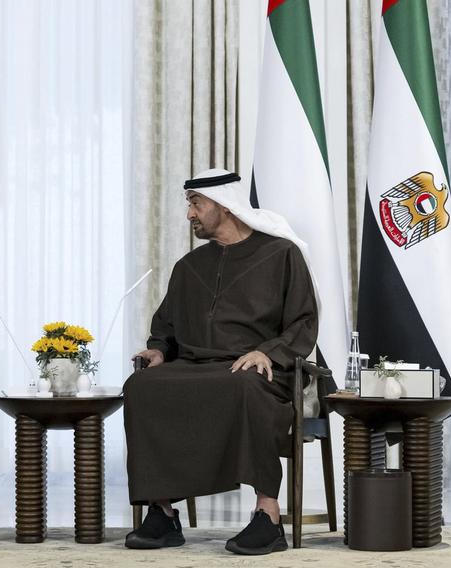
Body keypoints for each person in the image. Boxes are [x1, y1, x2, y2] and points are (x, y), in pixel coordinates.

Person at [123, 169, 319, 556]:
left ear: (224, 206)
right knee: (141, 385)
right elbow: (165, 325)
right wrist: (159, 349)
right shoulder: (189, 266)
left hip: (259, 368)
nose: (190, 214)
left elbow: (304, 321)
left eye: (196, 204)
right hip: (195, 366)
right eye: (190, 205)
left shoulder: (281, 254)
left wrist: (268, 351)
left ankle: (268, 516)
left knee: (243, 382)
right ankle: (162, 512)